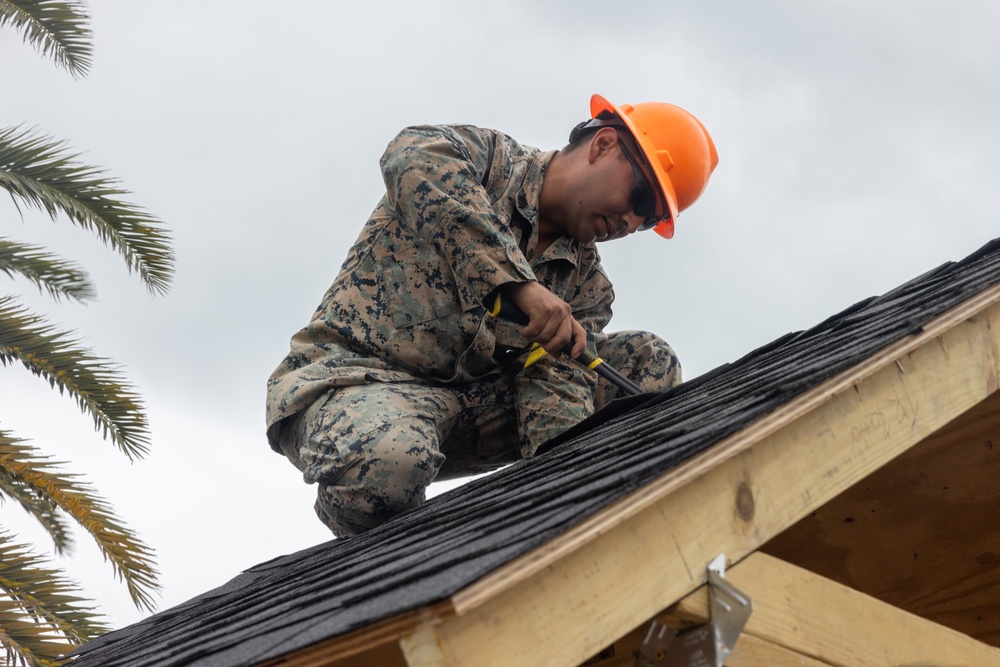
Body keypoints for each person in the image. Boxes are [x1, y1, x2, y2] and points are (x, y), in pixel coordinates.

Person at [266, 94, 718, 538]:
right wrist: (518, 284)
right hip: (354, 383)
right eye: (640, 195)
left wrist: (570, 495)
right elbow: (410, 154)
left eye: (649, 219)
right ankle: (363, 529)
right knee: (391, 464)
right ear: (603, 145)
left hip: (468, 412)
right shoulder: (488, 164)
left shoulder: (587, 290)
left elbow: (553, 391)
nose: (631, 221)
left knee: (647, 360)